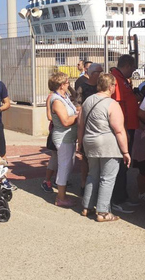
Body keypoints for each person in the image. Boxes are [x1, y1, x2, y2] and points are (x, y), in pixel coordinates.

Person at [77, 73, 130, 222]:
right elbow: (119, 130)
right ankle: (103, 212)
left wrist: (80, 144)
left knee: (92, 174)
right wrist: (125, 151)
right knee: (107, 178)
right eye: (114, 85)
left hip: (90, 142)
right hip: (107, 144)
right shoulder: (112, 104)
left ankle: (87, 206)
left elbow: (80, 125)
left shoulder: (88, 101)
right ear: (111, 86)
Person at [109, 55, 140, 214]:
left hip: (129, 127)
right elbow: (120, 107)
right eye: (133, 67)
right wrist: (123, 129)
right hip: (125, 129)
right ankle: (116, 198)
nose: (134, 70)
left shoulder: (122, 79)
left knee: (124, 165)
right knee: (120, 164)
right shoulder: (116, 80)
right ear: (127, 65)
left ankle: (122, 195)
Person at [48, 72, 80, 207]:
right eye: (67, 82)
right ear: (61, 85)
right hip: (63, 137)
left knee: (68, 165)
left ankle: (63, 195)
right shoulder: (56, 100)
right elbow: (66, 121)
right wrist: (79, 116)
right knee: (64, 167)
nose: (69, 84)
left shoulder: (64, 96)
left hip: (69, 137)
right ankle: (60, 198)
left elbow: (72, 110)